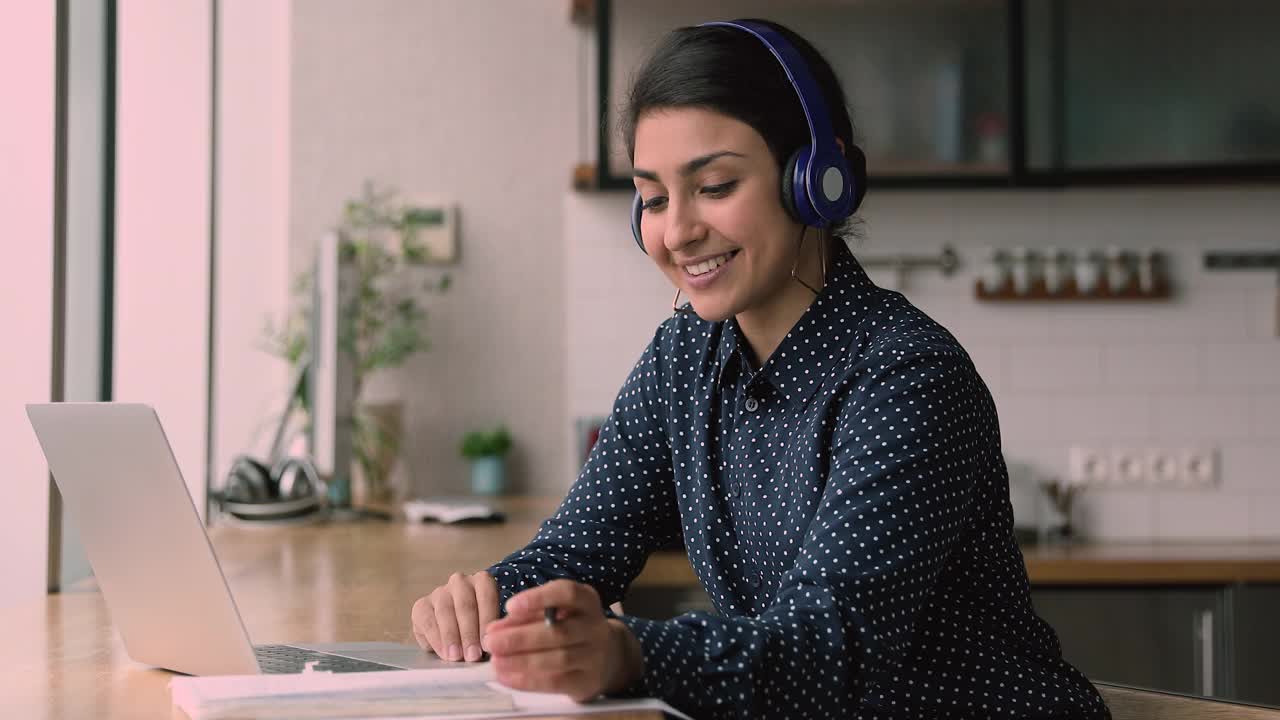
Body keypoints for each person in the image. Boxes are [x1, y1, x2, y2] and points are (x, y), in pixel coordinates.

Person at [411, 18, 1111, 719]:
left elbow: (826, 650)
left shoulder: (909, 379)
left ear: (816, 181)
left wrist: (629, 653)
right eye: (654, 198)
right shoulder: (683, 359)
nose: (677, 230)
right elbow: (577, 550)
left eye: (714, 185)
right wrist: (491, 602)